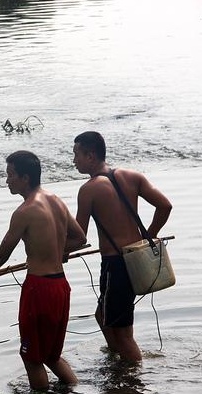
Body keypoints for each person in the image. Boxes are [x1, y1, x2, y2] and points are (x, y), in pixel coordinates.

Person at [0, 150, 86, 391]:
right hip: (60, 286)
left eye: (10, 175)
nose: (7, 180)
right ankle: (77, 388)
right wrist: (54, 251)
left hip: (40, 289)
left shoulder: (24, 212)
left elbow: (1, 256)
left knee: (32, 359)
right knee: (52, 356)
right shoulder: (55, 200)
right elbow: (80, 238)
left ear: (25, 178)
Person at [72, 131, 172, 362]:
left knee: (124, 334)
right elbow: (165, 206)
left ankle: (131, 378)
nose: (73, 160)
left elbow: (79, 236)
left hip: (114, 264)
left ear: (91, 155)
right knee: (102, 315)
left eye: (76, 154)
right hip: (134, 259)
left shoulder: (88, 190)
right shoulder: (132, 175)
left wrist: (57, 253)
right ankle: (118, 360)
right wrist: (148, 238)